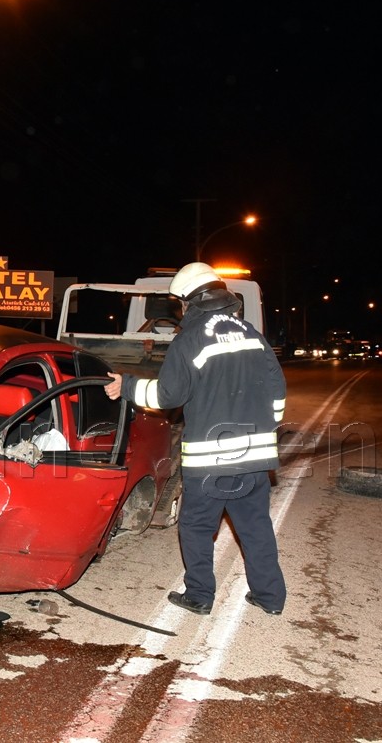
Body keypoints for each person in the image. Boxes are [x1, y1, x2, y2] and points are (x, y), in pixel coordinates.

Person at [105, 262, 287, 617]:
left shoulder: (190, 340)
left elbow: (166, 396)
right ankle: (270, 598)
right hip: (255, 458)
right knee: (255, 528)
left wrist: (126, 385)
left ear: (191, 303)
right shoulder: (252, 335)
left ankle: (200, 596)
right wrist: (268, 427)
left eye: (182, 303)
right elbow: (278, 391)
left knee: (196, 527)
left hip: (210, 461)